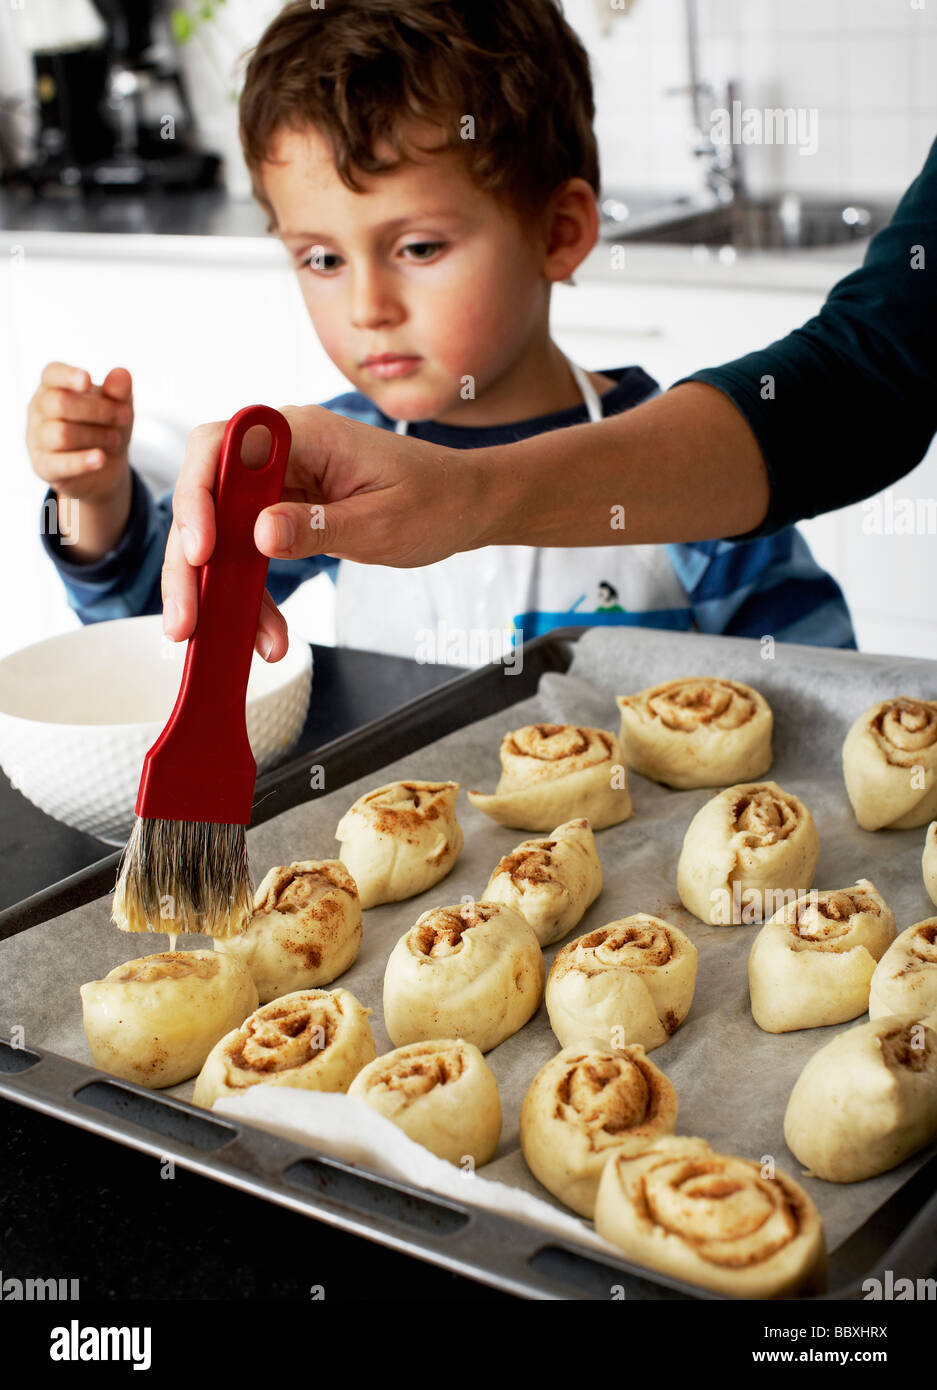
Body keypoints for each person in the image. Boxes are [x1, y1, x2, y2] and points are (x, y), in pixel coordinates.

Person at [30, 0, 861, 667]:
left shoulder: (680, 471)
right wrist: (95, 500)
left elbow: (824, 696)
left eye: (418, 248)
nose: (367, 307)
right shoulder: (324, 462)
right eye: (321, 258)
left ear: (558, 232)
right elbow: (160, 619)